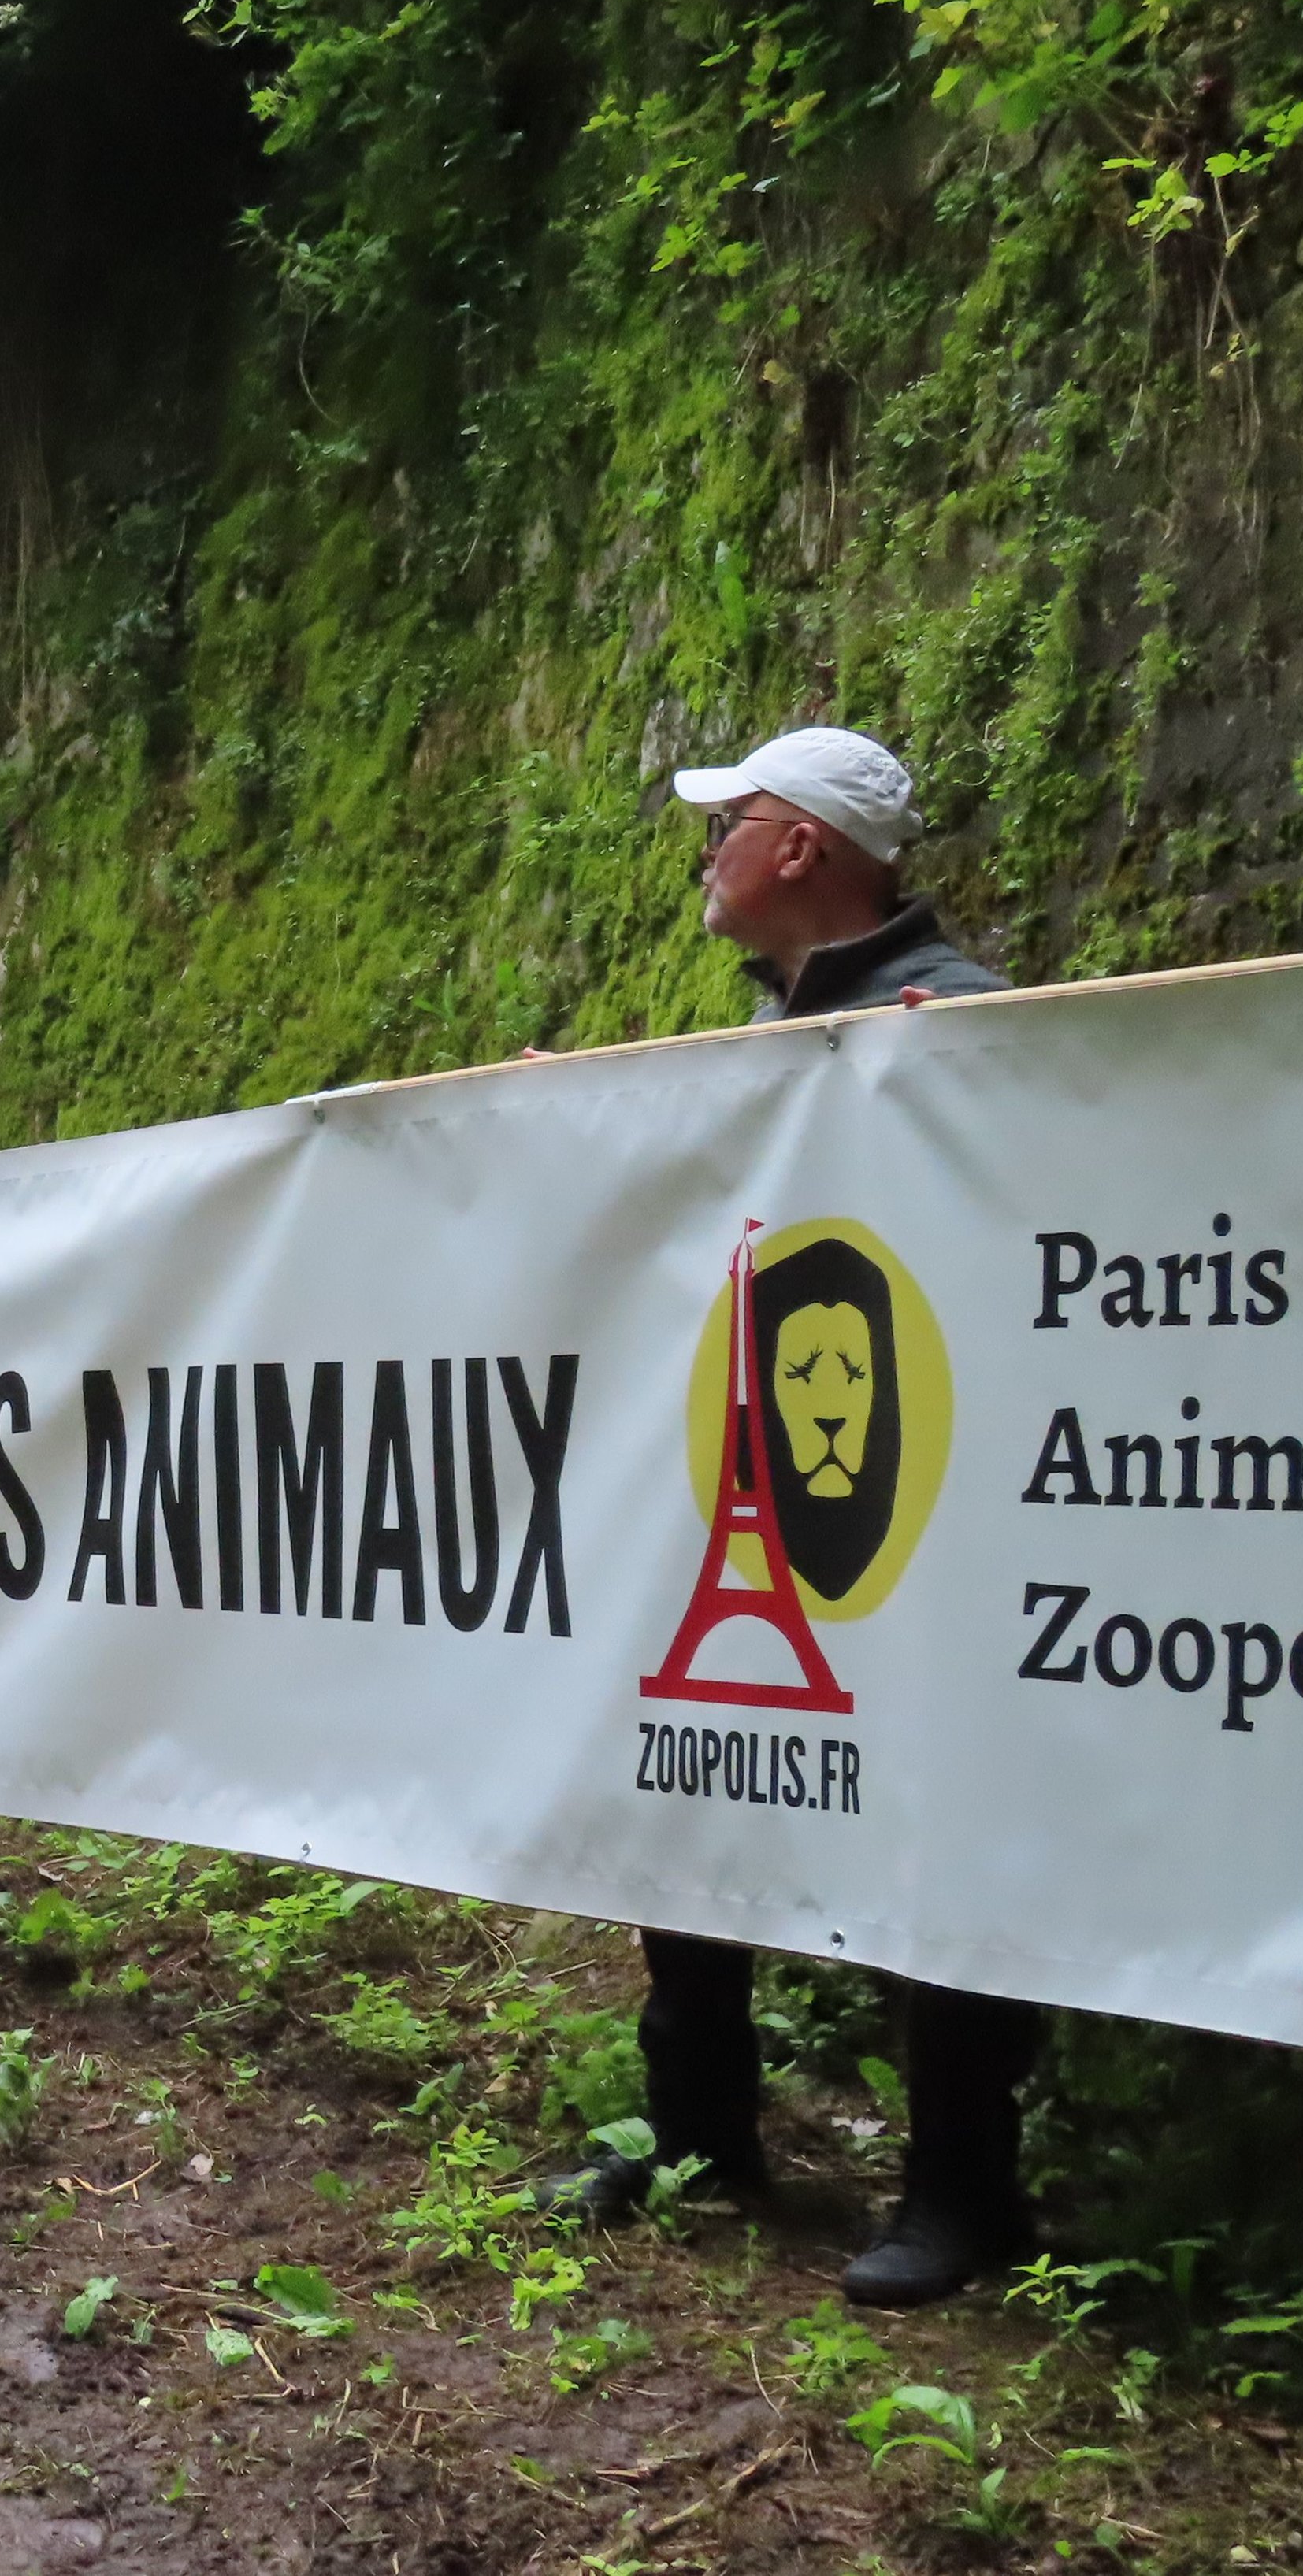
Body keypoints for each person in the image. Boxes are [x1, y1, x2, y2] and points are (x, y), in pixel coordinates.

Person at [536, 724, 1028, 2310]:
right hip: (736, 1465)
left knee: (940, 1815)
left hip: (922, 1490)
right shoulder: (769, 1041)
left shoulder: (963, 1027)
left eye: (728, 820)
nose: (706, 849)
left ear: (801, 846)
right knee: (687, 1777)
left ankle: (966, 2185)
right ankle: (699, 2134)